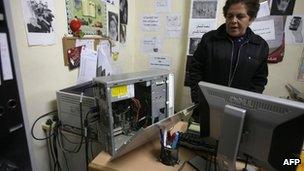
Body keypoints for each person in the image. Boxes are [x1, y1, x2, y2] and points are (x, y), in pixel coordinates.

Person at [189, 0, 269, 136]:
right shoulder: (209, 39)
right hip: (207, 109)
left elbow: (259, 80)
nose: (233, 20)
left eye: (240, 16)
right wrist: (199, 99)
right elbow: (195, 71)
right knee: (201, 146)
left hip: (239, 113)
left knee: (231, 148)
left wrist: (248, 106)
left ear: (251, 19)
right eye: (230, 16)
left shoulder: (260, 46)